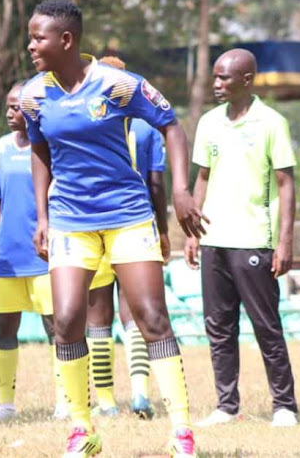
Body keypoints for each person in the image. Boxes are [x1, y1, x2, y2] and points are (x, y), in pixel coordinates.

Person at [22, 0, 204, 458]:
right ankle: (83, 432)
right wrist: (43, 217)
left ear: (66, 40)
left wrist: (181, 192)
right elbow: (39, 151)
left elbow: (172, 127)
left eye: (38, 38)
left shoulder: (118, 85)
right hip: (70, 219)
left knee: (150, 316)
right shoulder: (34, 95)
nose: (30, 46)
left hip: (127, 214)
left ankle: (182, 431)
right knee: (65, 320)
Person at [185, 48, 299, 428]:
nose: (216, 84)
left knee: (266, 325)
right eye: (215, 77)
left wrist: (284, 242)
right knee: (218, 326)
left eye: (224, 78)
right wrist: (191, 232)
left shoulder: (272, 123)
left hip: (254, 239)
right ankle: (226, 406)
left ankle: (284, 406)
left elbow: (286, 185)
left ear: (247, 80)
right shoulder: (208, 123)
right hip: (213, 239)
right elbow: (201, 178)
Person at [85, 56, 171, 421]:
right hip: (137, 225)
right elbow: (156, 183)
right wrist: (164, 229)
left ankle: (106, 400)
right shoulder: (146, 126)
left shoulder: (87, 119)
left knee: (97, 315)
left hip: (92, 224)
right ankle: (139, 392)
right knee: (136, 314)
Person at [0, 82, 65, 422]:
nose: (10, 114)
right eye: (9, 107)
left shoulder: (51, 146)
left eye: (17, 107)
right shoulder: (0, 147)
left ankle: (66, 400)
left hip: (44, 254)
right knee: (5, 330)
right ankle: (4, 403)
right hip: (7, 255)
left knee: (57, 329)